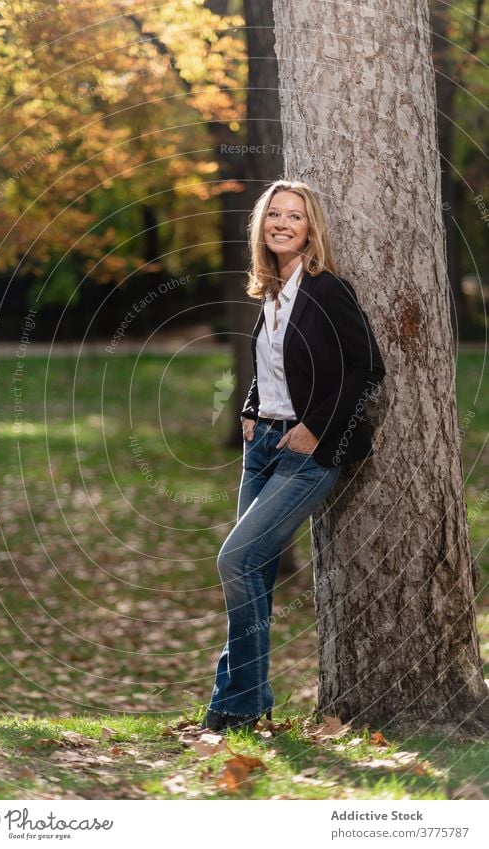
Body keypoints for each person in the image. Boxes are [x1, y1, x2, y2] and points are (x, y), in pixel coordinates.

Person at [201, 179, 386, 732]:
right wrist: (252, 407)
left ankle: (237, 704)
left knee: (235, 561)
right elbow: (272, 366)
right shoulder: (272, 289)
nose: (282, 223)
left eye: (295, 217)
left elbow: (367, 367)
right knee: (251, 568)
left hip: (306, 452)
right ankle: (242, 705)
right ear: (262, 225)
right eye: (273, 214)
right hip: (261, 446)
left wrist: (317, 430)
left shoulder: (327, 289)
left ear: (311, 229)